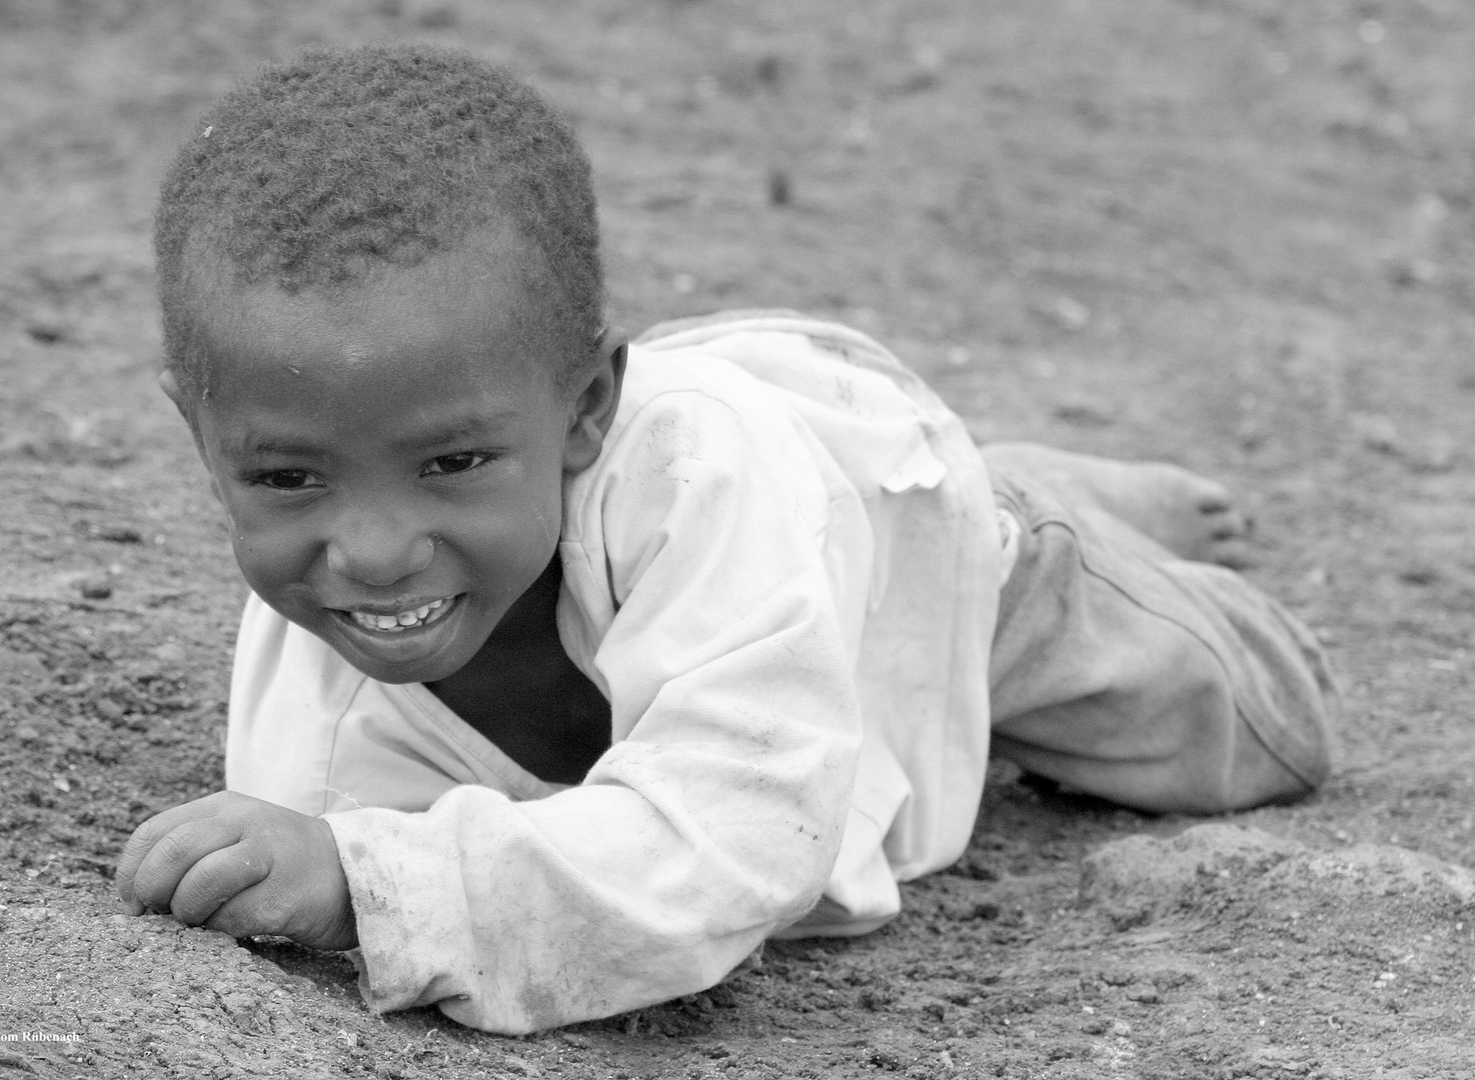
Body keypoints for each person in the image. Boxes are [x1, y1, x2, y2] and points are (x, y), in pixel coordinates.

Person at [114, 43, 1337, 1034]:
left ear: (586, 411)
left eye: (453, 464)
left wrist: (370, 885)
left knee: (1255, 731)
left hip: (902, 569)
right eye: (288, 476)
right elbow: (508, 888)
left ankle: (1032, 512)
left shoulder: (702, 481)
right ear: (204, 438)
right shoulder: (307, 754)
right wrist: (338, 864)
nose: (372, 550)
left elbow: (733, 838)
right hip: (784, 545)